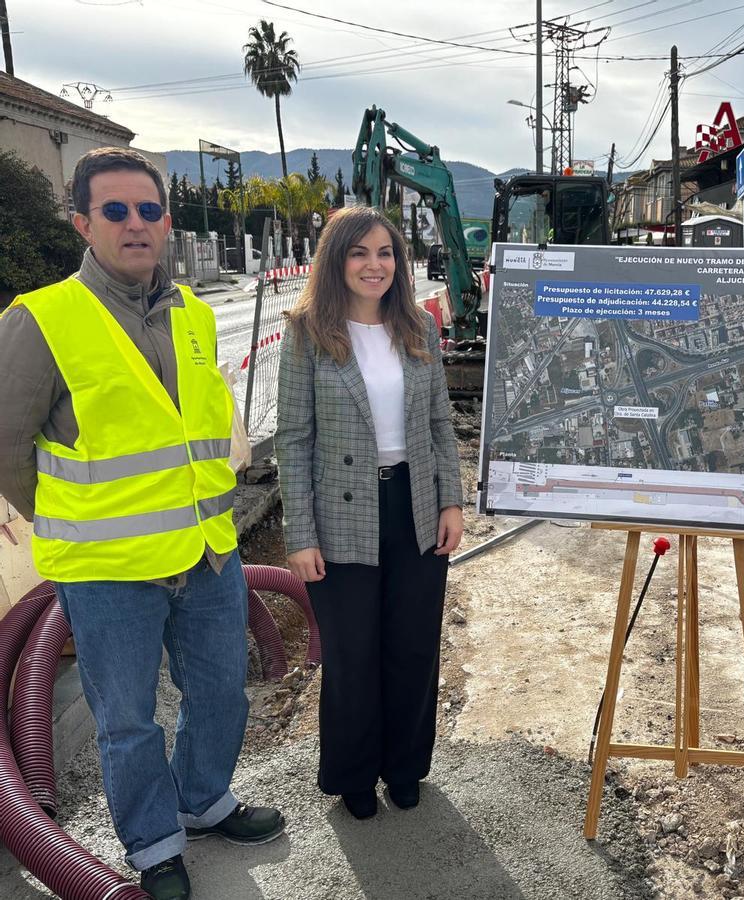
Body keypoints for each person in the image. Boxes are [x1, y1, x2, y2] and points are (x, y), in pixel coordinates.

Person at [0, 147, 284, 900]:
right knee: (128, 719)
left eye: (149, 210)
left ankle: (203, 800)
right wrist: (74, 519)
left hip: (207, 552)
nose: (135, 224)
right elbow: (5, 446)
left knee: (221, 693)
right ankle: (155, 843)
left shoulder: (193, 313)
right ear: (83, 223)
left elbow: (199, 429)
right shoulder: (41, 320)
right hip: (109, 570)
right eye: (116, 211)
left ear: (166, 221)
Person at [275, 206, 464, 820]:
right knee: (352, 653)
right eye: (359, 252)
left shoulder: (418, 327)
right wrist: (300, 533)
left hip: (414, 504)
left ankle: (405, 765)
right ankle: (353, 772)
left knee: (413, 645)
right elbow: (293, 440)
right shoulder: (307, 333)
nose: (374, 265)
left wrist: (451, 499)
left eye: (385, 253)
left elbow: (439, 424)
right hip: (340, 512)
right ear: (336, 260)